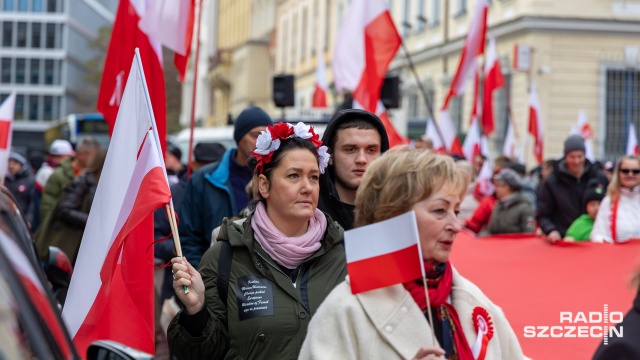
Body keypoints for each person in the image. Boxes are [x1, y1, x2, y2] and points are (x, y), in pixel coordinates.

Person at [299, 151, 523, 359]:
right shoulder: (345, 310)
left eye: (455, 211)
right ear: (393, 215)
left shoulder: (473, 300)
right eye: (439, 211)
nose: (456, 226)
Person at [167, 122, 346, 359]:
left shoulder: (342, 252)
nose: (307, 187)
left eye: (313, 177)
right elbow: (201, 353)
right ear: (264, 185)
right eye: (294, 176)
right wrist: (196, 311)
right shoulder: (224, 256)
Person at [178, 106, 273, 268]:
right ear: (239, 137)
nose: (262, 142)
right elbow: (188, 238)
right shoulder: (204, 179)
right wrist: (205, 276)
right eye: (255, 135)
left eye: (268, 136)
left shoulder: (276, 178)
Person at [318, 109, 389, 230]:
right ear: (329, 155)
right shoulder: (310, 214)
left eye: (371, 150)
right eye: (350, 149)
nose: (361, 159)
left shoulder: (396, 214)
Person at [35, 149, 107, 264]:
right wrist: (91, 221)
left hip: (91, 243)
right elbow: (64, 209)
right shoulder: (83, 181)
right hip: (74, 243)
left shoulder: (104, 183)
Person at [537, 134, 608, 242]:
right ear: (565, 157)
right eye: (572, 157)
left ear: (585, 155)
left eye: (580, 156)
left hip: (594, 238)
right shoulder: (552, 182)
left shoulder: (599, 177)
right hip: (564, 239)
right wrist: (550, 230)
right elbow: (543, 214)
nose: (576, 161)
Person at [39, 136, 101, 225]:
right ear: (81, 154)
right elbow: (47, 206)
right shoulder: (59, 175)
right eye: (93, 156)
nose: (96, 160)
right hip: (64, 231)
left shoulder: (95, 175)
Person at [591, 156, 640, 243]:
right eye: (625, 171)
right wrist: (605, 241)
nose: (630, 174)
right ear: (618, 173)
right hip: (617, 254)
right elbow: (597, 234)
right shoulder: (609, 201)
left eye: (635, 171)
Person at [488, 169, 535, 235]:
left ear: (507, 187)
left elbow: (529, 231)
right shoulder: (498, 206)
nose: (495, 189)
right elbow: (490, 230)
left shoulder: (525, 208)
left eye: (498, 186)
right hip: (498, 244)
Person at [5, 152, 35, 219]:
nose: (11, 166)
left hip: (21, 220)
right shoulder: (5, 180)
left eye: (15, 163)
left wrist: (28, 219)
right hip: (6, 219)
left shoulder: (30, 181)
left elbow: (32, 204)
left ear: (22, 165)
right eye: (9, 162)